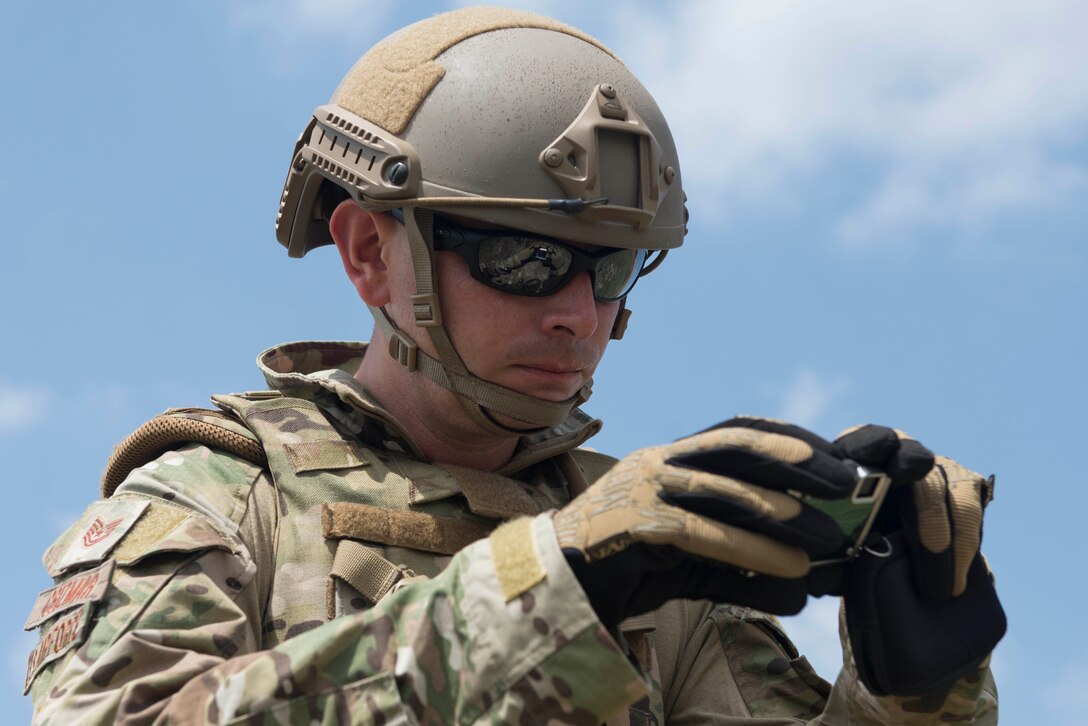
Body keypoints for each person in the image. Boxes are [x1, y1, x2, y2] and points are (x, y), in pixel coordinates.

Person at [24, 6, 1000, 724]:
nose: (578, 316)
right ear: (369, 253)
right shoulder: (213, 506)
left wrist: (914, 692)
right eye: (524, 260)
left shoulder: (658, 541)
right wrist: (552, 588)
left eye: (610, 268)